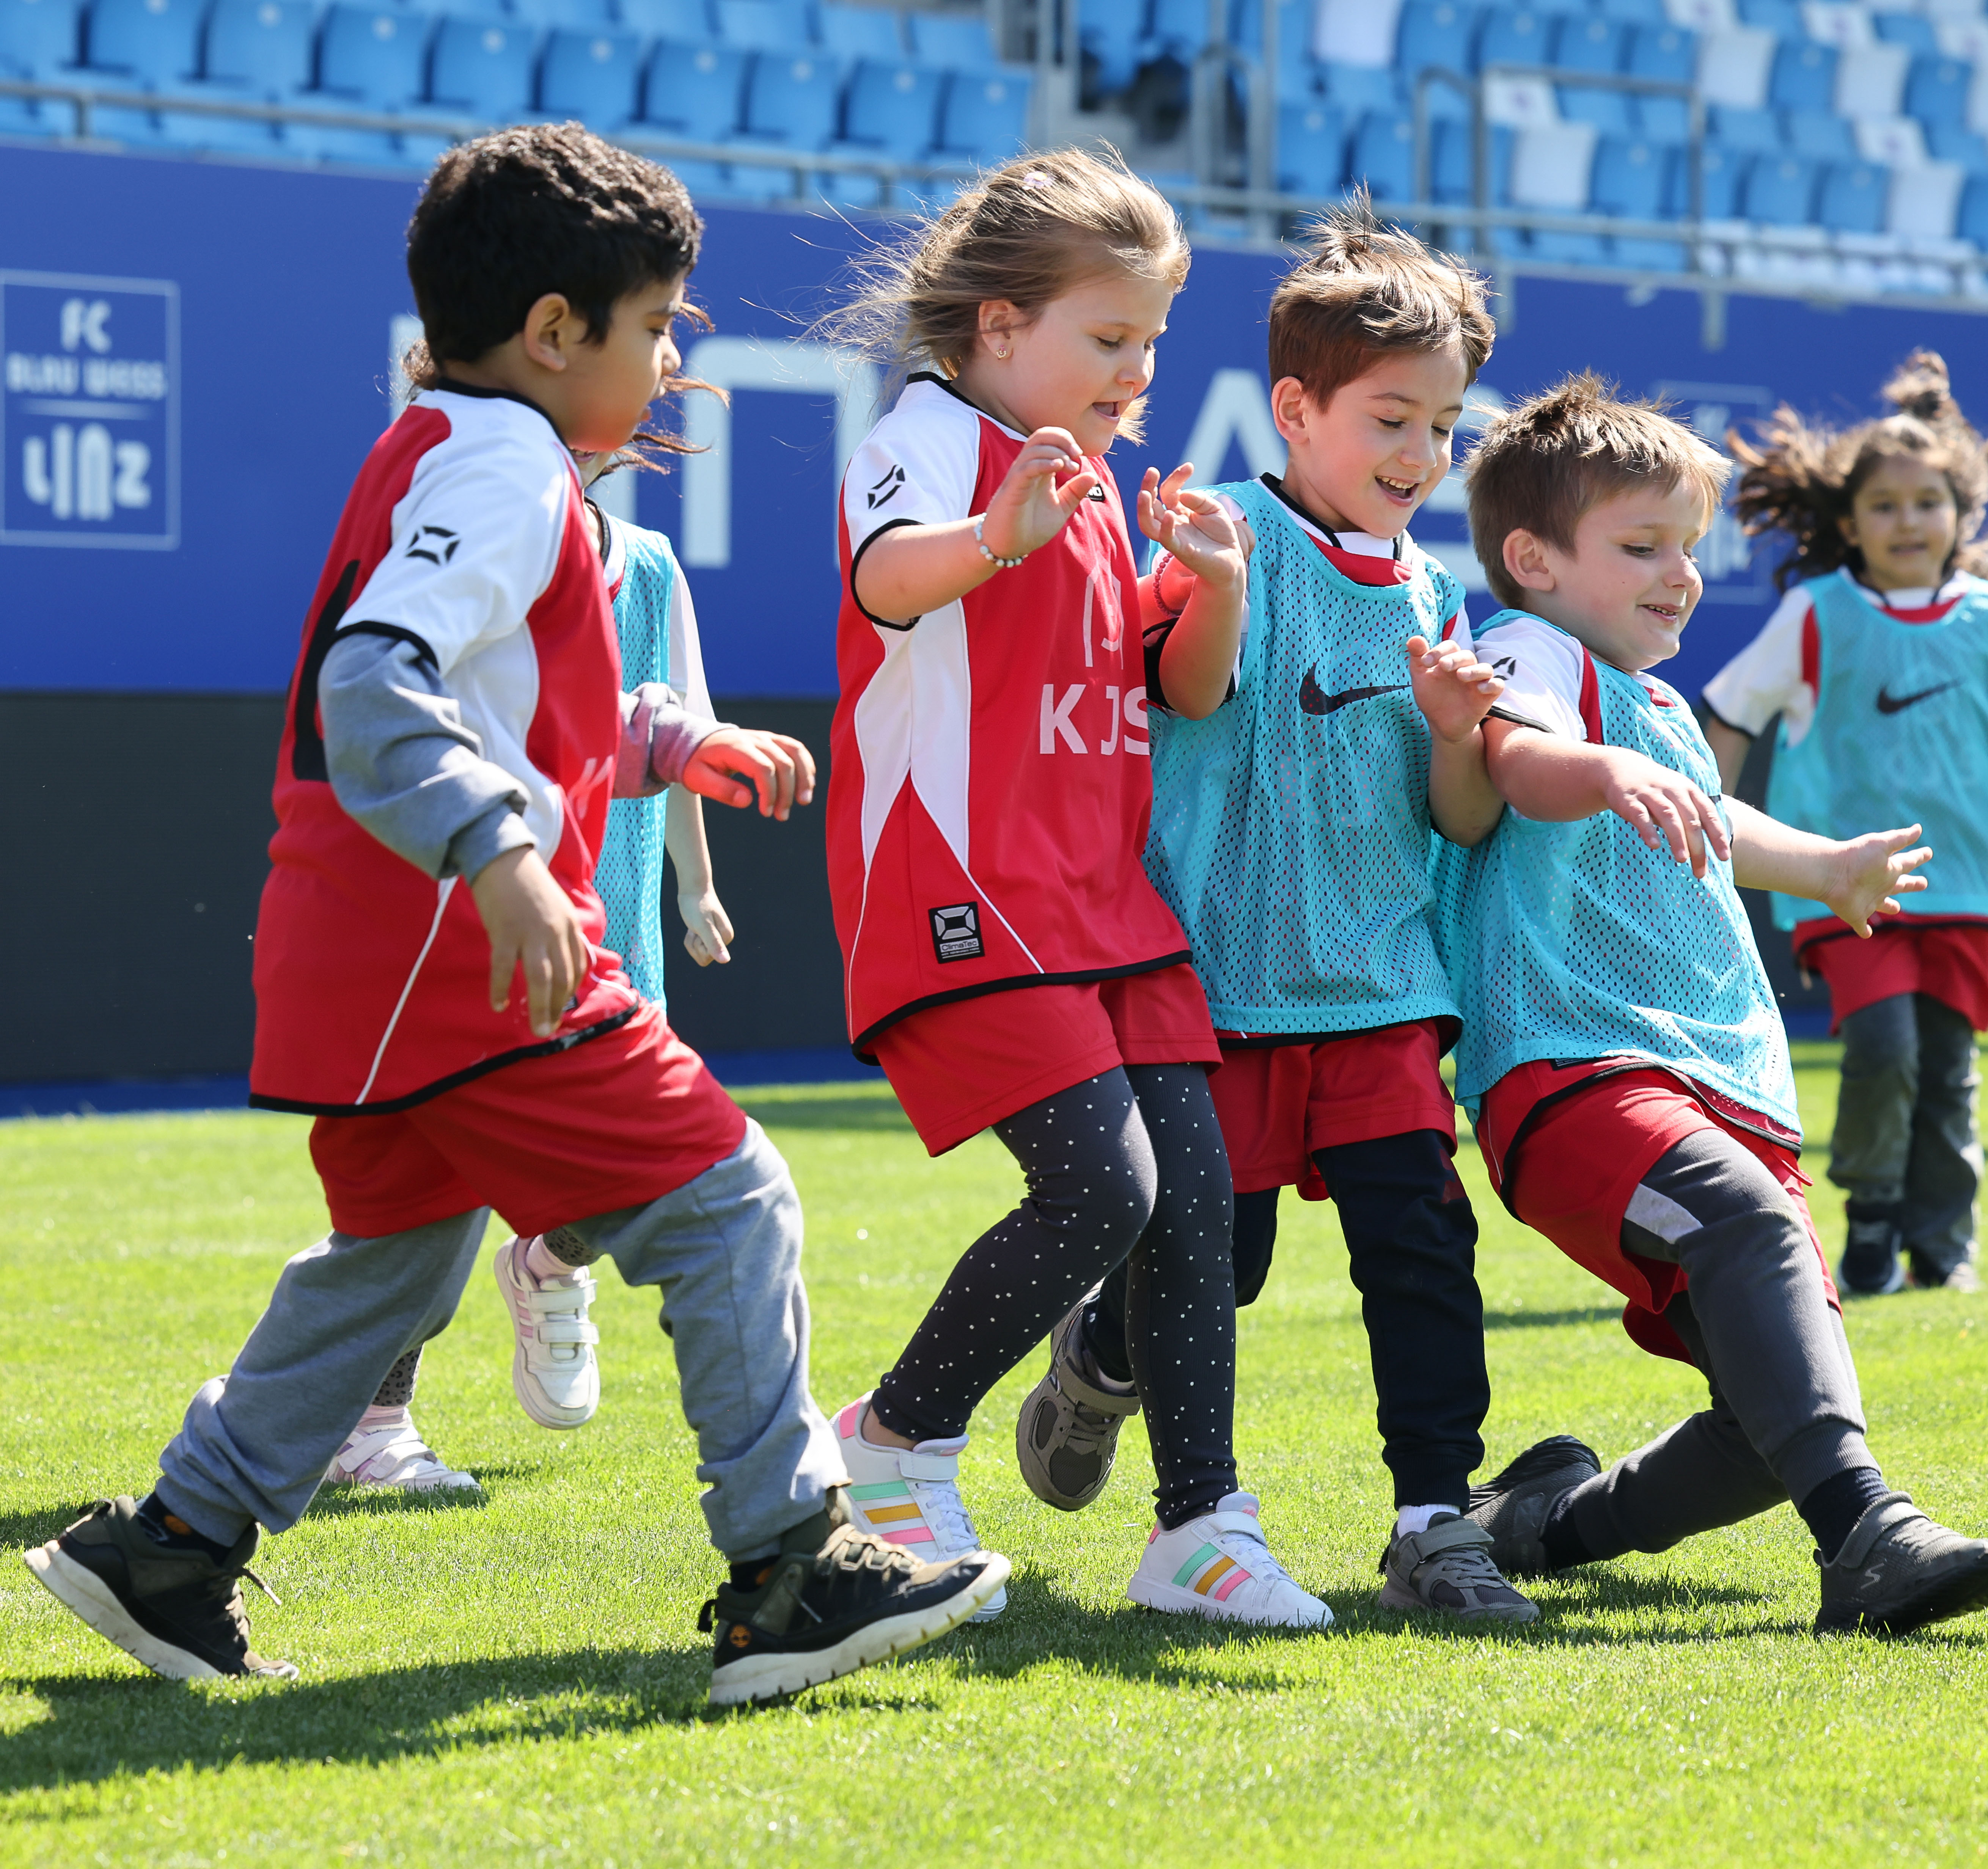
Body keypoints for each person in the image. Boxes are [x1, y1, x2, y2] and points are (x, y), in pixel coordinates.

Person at [20, 125, 1006, 1704]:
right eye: (656, 324)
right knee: (731, 1197)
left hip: (367, 956)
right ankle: (791, 1564)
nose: (674, 358)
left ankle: (173, 1543)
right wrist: (496, 852)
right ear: (554, 331)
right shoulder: (501, 466)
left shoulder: (444, 445)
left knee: (395, 1266)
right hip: (462, 958)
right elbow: (373, 684)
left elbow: (484, 696)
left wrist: (659, 746)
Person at [1012, 196, 1541, 1624]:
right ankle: (1099, 1362)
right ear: (1295, 411)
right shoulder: (1222, 529)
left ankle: (1434, 1518)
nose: (1420, 455)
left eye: (1444, 427)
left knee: (1420, 1252)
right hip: (1216, 988)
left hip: (1381, 987)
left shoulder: (1434, 589)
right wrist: (1219, 586)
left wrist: (1456, 731)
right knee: (1216, 1269)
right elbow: (1185, 694)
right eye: (1391, 420)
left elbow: (1458, 820)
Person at [820, 147, 1329, 1630]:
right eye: (1109, 336)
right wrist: (995, 536)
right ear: (997, 325)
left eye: (1152, 340)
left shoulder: (1097, 484)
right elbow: (884, 577)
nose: (1138, 369)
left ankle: (1199, 1529)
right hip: (965, 886)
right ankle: (895, 1436)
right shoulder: (929, 436)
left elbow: (1184, 688)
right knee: (1103, 1187)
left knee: (1197, 1205)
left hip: (1110, 905)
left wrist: (1216, 585)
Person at [1432, 374, 1988, 1635]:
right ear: (1532, 561)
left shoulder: (1654, 703)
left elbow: (1713, 818)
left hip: (1720, 1085)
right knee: (1751, 1233)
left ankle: (1538, 1520)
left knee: (1775, 1415)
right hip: (1575, 1071)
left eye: (1688, 548)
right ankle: (1866, 1536)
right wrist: (1599, 770)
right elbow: (1515, 761)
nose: (1680, 575)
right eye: (1642, 547)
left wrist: (1824, 866)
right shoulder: (1527, 649)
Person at [322, 443, 732, 1489]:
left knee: (659, 1167)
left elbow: (680, 734)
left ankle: (546, 1264)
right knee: (432, 1181)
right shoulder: (470, 531)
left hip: (611, 920)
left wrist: (695, 884)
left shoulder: (649, 566)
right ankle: (366, 1423)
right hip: (474, 917)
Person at [1701, 352, 1988, 1297]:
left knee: (1946, 1065)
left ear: (1961, 515)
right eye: (1885, 505)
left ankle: (1943, 1244)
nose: (1907, 522)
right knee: (1885, 1045)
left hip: (1968, 881)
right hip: (1844, 881)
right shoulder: (1816, 614)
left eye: (1927, 502)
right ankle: (1872, 1218)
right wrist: (1705, 819)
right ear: (1850, 523)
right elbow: (1731, 713)